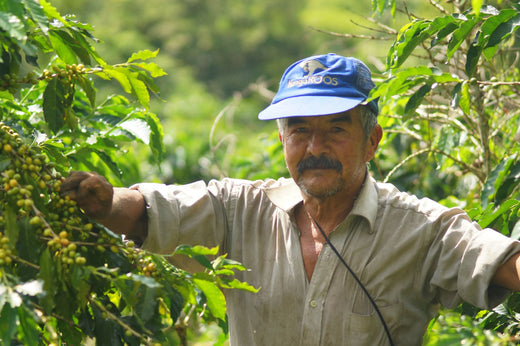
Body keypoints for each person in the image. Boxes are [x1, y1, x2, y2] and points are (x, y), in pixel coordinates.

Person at [62, 53, 520, 345]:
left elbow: (496, 260)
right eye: (299, 130)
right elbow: (150, 212)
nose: (314, 148)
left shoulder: (419, 229)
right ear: (282, 139)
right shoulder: (237, 209)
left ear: (372, 140)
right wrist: (105, 202)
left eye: (336, 129)